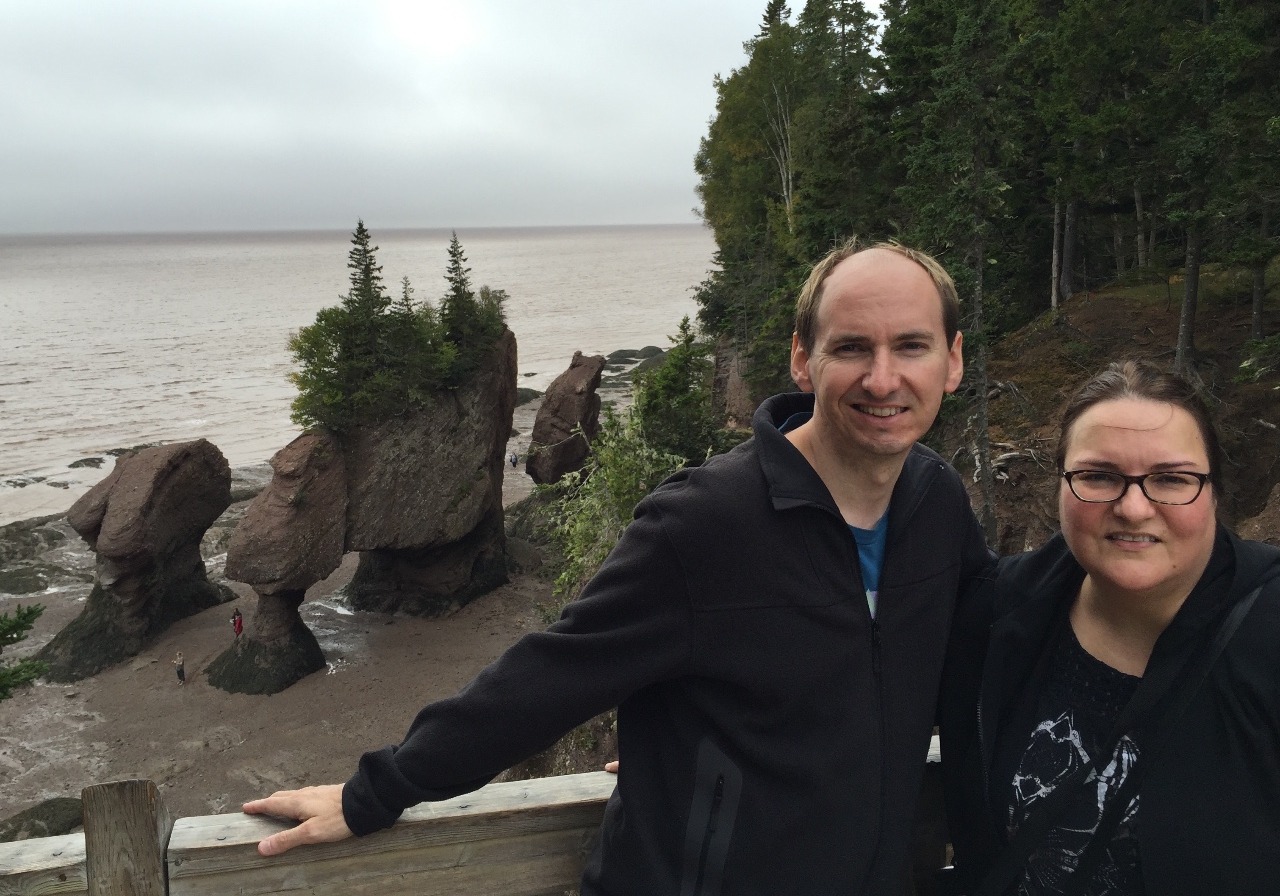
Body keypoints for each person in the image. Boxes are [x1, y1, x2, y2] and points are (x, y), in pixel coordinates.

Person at [243, 239, 992, 895]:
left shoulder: (937, 508)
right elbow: (547, 677)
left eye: (912, 347)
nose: (883, 379)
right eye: (853, 347)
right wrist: (374, 792)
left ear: (953, 361)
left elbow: (982, 656)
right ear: (804, 358)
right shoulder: (706, 524)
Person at [939, 360, 1280, 896]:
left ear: (1215, 491)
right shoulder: (998, 613)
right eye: (1099, 476)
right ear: (1061, 485)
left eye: (1171, 479)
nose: (1134, 507)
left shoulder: (1268, 631)